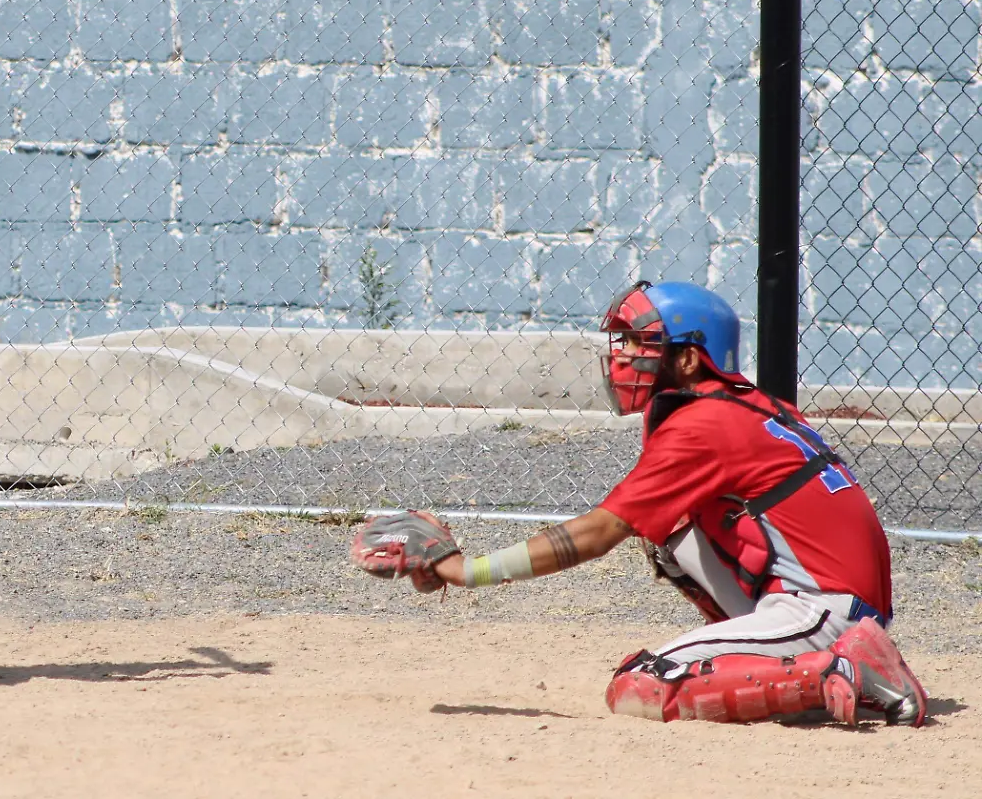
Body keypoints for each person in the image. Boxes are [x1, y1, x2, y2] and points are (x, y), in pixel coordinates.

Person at [352, 280, 928, 726]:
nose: (623, 356)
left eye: (641, 343)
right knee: (672, 536)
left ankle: (840, 666)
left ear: (689, 358)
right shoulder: (744, 405)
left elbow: (600, 532)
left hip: (818, 607)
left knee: (640, 687)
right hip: (830, 600)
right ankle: (814, 661)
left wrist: (465, 569)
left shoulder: (704, 424)